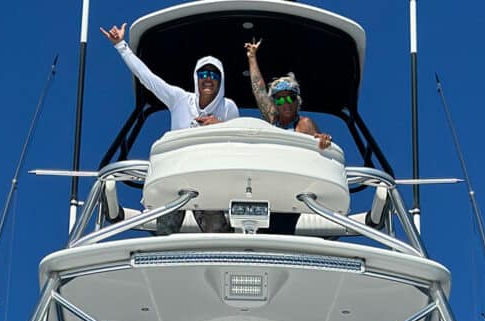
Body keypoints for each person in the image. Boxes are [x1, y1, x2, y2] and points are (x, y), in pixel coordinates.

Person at [102, 22, 238, 233]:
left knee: (217, 233)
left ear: (221, 80)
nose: (208, 79)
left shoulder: (228, 108)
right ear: (196, 78)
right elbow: (148, 78)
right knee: (164, 233)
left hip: (208, 180)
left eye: (214, 75)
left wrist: (220, 126)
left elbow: (239, 141)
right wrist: (121, 45)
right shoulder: (179, 99)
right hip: (177, 177)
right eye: (203, 74)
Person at [245, 40, 332, 148]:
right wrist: (252, 57)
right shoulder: (273, 119)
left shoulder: (304, 123)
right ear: (275, 104)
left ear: (297, 101)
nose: (286, 103)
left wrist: (324, 141)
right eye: (280, 100)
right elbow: (259, 90)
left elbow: (319, 146)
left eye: (290, 98)